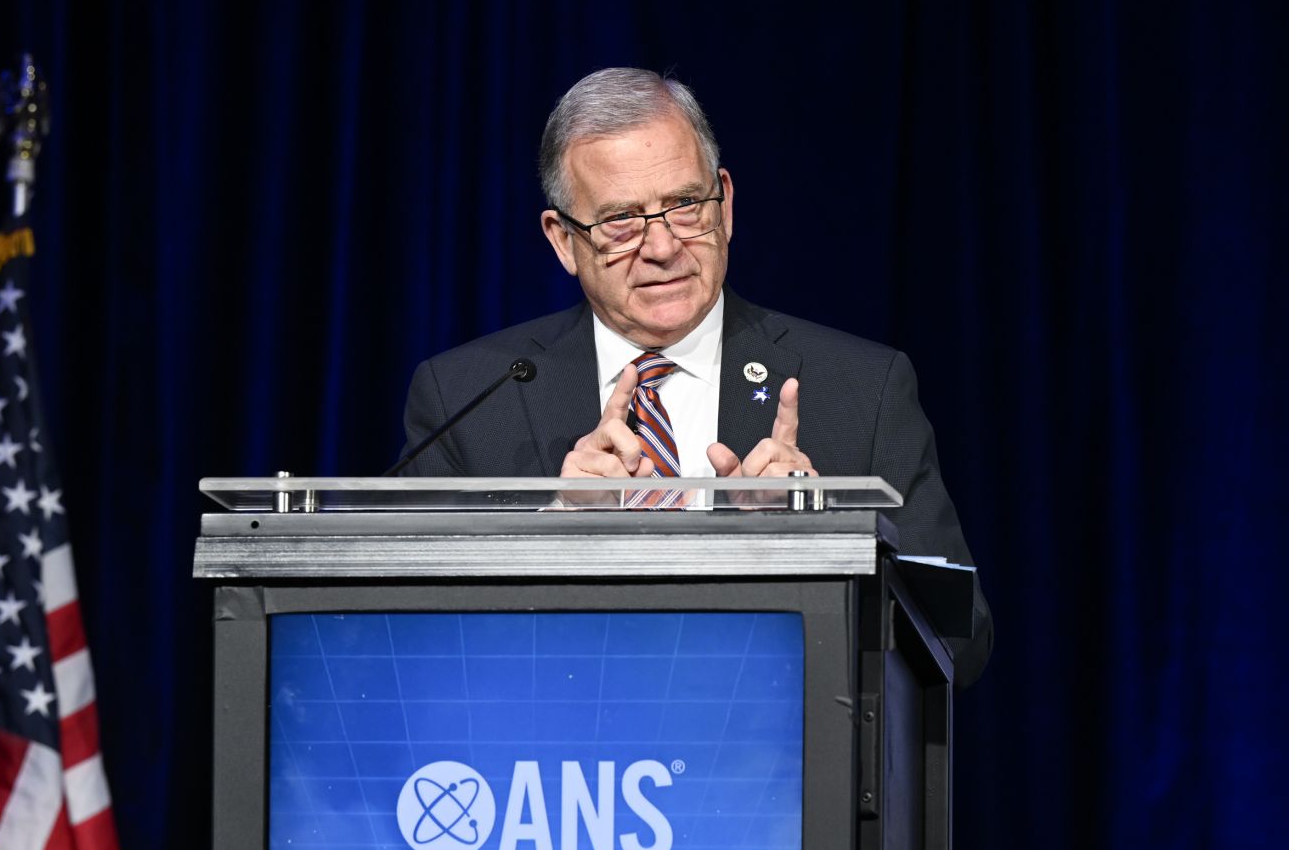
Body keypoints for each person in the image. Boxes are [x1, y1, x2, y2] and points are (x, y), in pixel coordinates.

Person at [399, 68, 990, 684]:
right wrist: (554, 532)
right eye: (620, 220)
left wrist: (820, 547)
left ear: (725, 204)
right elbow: (407, 645)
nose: (662, 248)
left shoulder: (859, 389)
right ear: (564, 241)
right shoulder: (465, 399)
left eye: (684, 205)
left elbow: (963, 639)